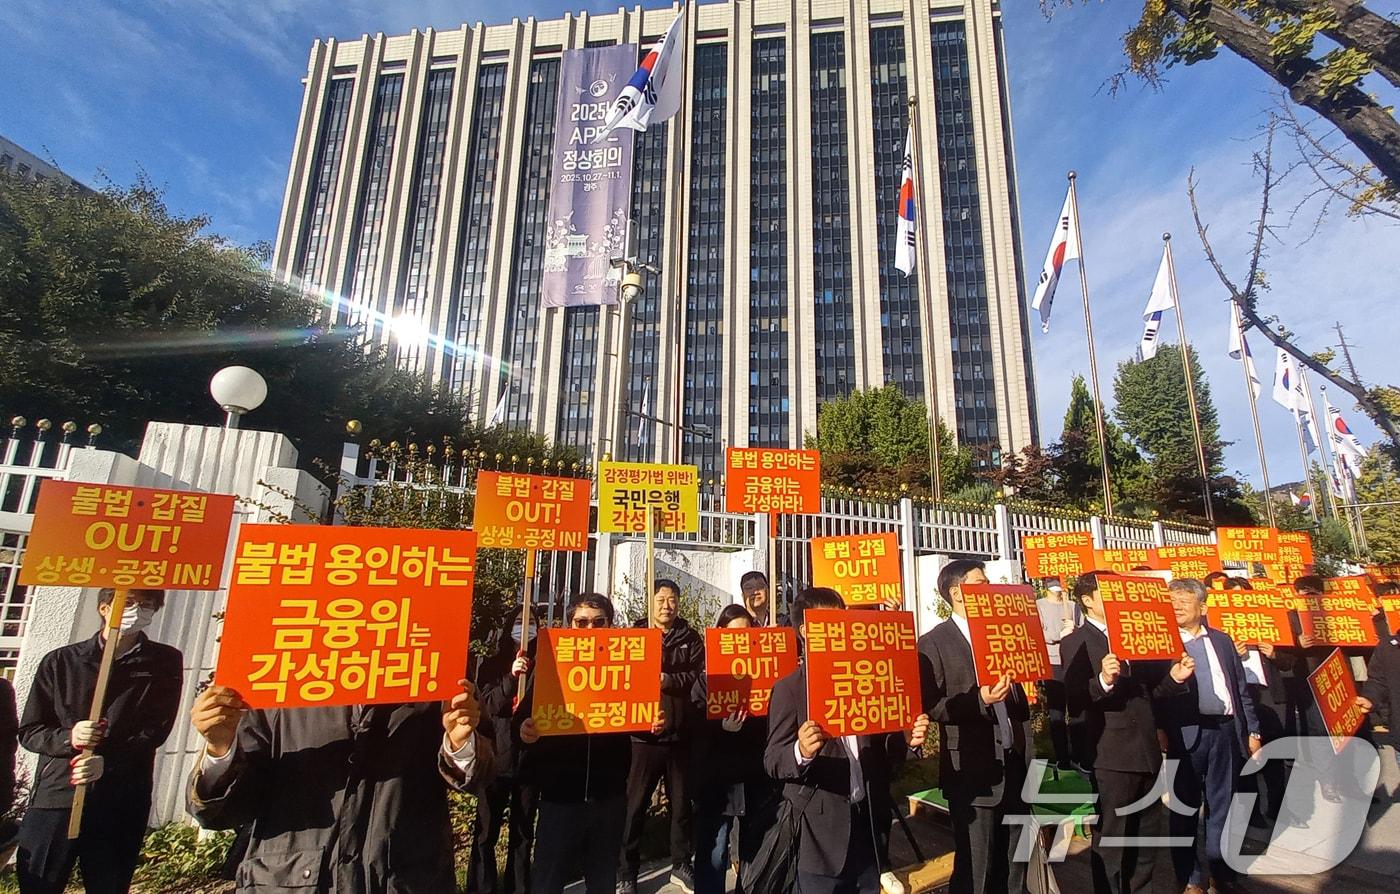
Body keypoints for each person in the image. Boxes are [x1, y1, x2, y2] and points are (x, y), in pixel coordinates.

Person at [187, 676, 494, 891]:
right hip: (288, 880)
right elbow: (226, 811)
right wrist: (220, 749)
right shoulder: (276, 678)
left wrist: (459, 743)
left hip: (402, 878)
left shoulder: (441, 676)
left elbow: (482, 771)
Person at [16, 588, 183, 894]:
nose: (137, 611)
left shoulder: (164, 662)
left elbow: (156, 729)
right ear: (105, 608)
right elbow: (31, 731)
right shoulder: (61, 662)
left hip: (121, 798)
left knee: (109, 883)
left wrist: (109, 761)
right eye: (129, 603)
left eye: (146, 605)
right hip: (58, 795)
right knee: (39, 883)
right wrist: (69, 738)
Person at [765, 587, 929, 894]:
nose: (841, 627)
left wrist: (908, 741)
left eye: (844, 619)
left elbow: (882, 752)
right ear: (805, 630)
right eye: (831, 622)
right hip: (820, 839)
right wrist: (800, 751)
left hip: (867, 828)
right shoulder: (790, 689)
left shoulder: (866, 676)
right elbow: (773, 760)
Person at [516, 593, 664, 894]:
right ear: (570, 625)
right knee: (547, 881)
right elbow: (522, 719)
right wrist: (524, 731)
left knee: (602, 881)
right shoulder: (550, 666)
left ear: (610, 626)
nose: (589, 629)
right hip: (559, 798)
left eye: (599, 622)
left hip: (607, 799)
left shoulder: (625, 667)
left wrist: (653, 726)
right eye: (581, 622)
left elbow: (641, 721)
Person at [1060, 571, 1195, 894]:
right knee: (1113, 838)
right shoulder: (1076, 642)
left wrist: (1175, 677)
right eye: (1106, 594)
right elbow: (1075, 697)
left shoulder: (1140, 633)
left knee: (1146, 838)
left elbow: (1152, 691)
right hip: (1111, 753)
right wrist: (1105, 681)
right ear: (1088, 601)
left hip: (1146, 750)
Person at [919, 559, 1033, 894]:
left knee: (1014, 861)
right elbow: (933, 706)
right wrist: (979, 699)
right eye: (981, 584)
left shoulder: (1006, 632)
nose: (990, 590)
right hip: (972, 769)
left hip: (1014, 761)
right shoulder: (935, 642)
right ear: (957, 593)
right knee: (976, 866)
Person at [1161, 578, 1261, 894]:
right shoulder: (1162, 644)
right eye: (1172, 601)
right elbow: (1154, 694)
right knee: (1184, 810)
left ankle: (1222, 874)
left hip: (1226, 732)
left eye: (1183, 601)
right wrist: (1159, 728)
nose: (1176, 606)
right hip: (1186, 735)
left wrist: (1252, 729)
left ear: (1202, 607)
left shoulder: (1222, 640)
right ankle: (1190, 878)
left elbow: (1240, 689)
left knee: (1224, 806)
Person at [619, 579, 705, 894]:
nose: (666, 606)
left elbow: (698, 676)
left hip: (680, 736)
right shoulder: (636, 635)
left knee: (681, 807)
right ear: (650, 602)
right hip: (643, 740)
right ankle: (626, 871)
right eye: (660, 599)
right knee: (634, 807)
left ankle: (681, 865)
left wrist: (668, 679)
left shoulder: (690, 637)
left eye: (672, 600)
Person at [692, 604, 767, 894]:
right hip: (718, 781)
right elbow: (693, 722)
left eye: (746, 634)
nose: (740, 641)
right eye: (733, 634)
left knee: (754, 844)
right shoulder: (705, 678)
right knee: (715, 847)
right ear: (719, 635)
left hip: (754, 774)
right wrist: (719, 728)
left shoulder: (765, 673)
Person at [468, 607, 541, 894]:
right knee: (486, 832)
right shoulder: (490, 664)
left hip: (530, 760)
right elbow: (491, 705)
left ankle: (518, 887)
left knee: (522, 835)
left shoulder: (545, 664)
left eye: (532, 622)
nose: (526, 628)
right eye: (520, 623)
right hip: (496, 758)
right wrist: (512, 676)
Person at [1036, 580, 1080, 770]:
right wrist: (1060, 633)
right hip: (1052, 662)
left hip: (1072, 661)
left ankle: (1079, 755)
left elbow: (1081, 629)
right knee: (1057, 712)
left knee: (1077, 709)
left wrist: (1073, 630)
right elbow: (1039, 633)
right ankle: (1062, 756)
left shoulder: (1071, 606)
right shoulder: (1039, 606)